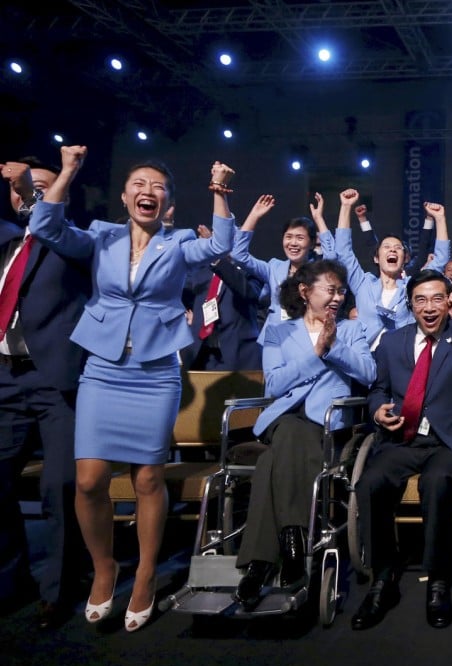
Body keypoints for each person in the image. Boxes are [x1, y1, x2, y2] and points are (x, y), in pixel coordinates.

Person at [29, 146, 235, 632]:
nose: (148, 192)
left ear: (168, 204)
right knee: (88, 480)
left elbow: (220, 244)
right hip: (102, 367)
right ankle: (106, 566)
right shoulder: (101, 237)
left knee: (146, 480)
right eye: (139, 185)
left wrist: (220, 191)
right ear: (124, 196)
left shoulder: (178, 241)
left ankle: (144, 573)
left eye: (157, 187)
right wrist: (70, 171)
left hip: (156, 371)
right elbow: (45, 226)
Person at [352, 269, 452, 631]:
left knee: (437, 482)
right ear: (410, 304)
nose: (429, 307)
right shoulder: (392, 343)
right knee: (370, 483)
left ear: (448, 302)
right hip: (403, 438)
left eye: (436, 299)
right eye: (420, 299)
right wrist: (377, 410)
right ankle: (383, 577)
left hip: (448, 441)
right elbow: (378, 390)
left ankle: (438, 579)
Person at [233, 260, 375, 610]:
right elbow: (275, 384)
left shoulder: (352, 330)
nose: (338, 297)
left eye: (342, 291)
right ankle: (293, 537)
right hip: (284, 418)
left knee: (270, 462)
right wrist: (314, 355)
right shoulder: (279, 331)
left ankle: (260, 563)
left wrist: (333, 347)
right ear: (305, 291)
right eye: (330, 289)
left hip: (326, 425)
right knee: (291, 432)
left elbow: (369, 374)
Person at [0, 156, 90, 630]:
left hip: (55, 380)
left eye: (35, 187)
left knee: (58, 487)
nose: (23, 193)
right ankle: (10, 580)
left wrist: (40, 196)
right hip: (5, 378)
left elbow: (50, 224)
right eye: (18, 187)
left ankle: (59, 589)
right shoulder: (5, 240)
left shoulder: (74, 238)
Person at [337, 188, 450, 346]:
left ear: (405, 259)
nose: (392, 249)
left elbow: (441, 259)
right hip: (367, 360)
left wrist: (439, 218)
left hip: (402, 361)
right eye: (387, 247)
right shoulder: (363, 284)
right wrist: (345, 207)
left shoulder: (413, 285)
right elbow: (343, 252)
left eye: (398, 248)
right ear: (377, 258)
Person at [231, 193, 336, 342]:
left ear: (312, 243)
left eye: (300, 238)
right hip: (275, 337)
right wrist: (254, 216)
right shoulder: (274, 267)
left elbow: (332, 257)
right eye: (288, 237)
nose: (293, 243)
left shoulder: (317, 270)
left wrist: (319, 218)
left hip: (307, 337)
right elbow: (238, 255)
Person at [181, 223, 262, 371]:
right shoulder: (201, 271)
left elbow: (248, 292)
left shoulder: (251, 269)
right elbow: (178, 291)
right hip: (202, 354)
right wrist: (189, 317)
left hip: (237, 355)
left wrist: (218, 257)